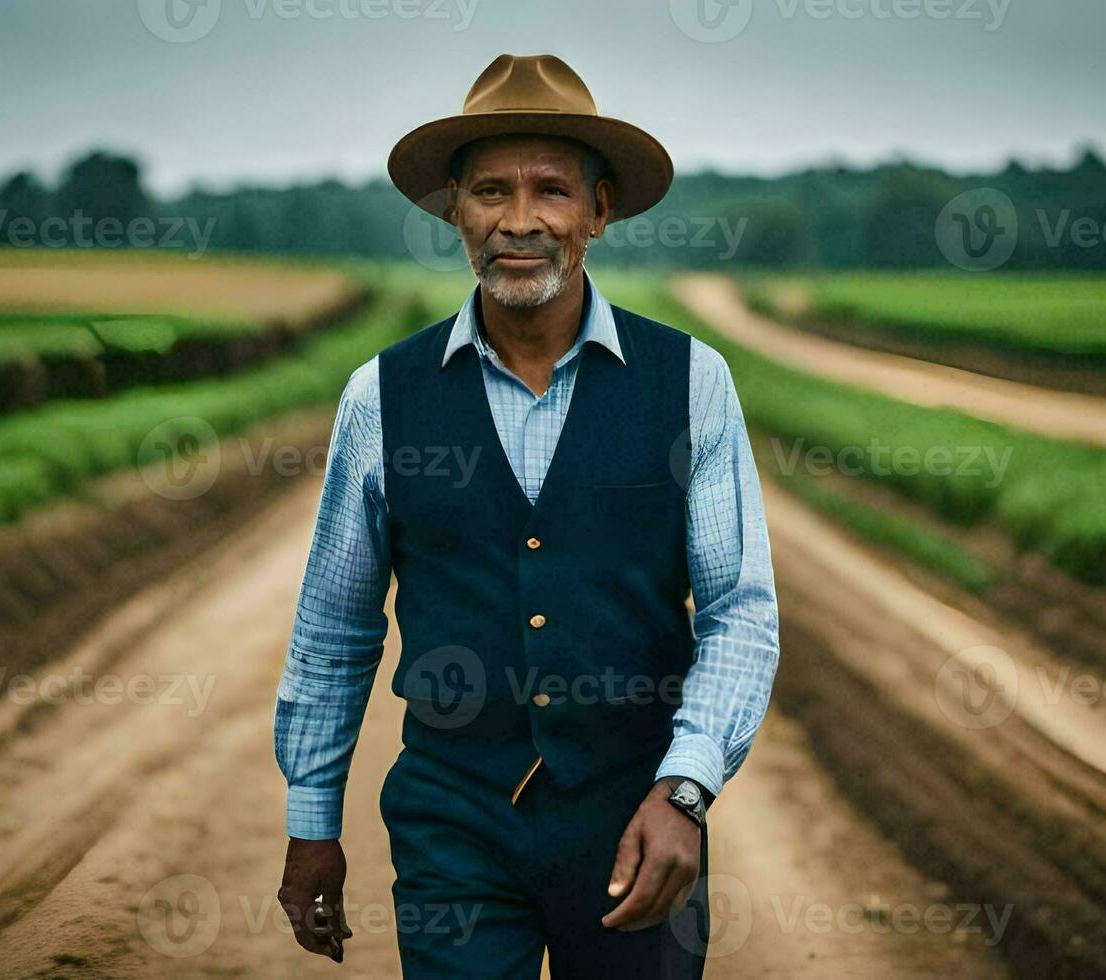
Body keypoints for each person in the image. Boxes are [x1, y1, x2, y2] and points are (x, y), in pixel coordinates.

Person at [274, 53, 780, 979]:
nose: (519, 221)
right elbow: (335, 626)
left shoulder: (692, 385)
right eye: (489, 192)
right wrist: (314, 822)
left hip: (635, 821)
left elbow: (740, 611)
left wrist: (686, 792)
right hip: (451, 827)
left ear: (598, 211)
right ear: (452, 212)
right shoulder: (379, 398)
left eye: (551, 191)